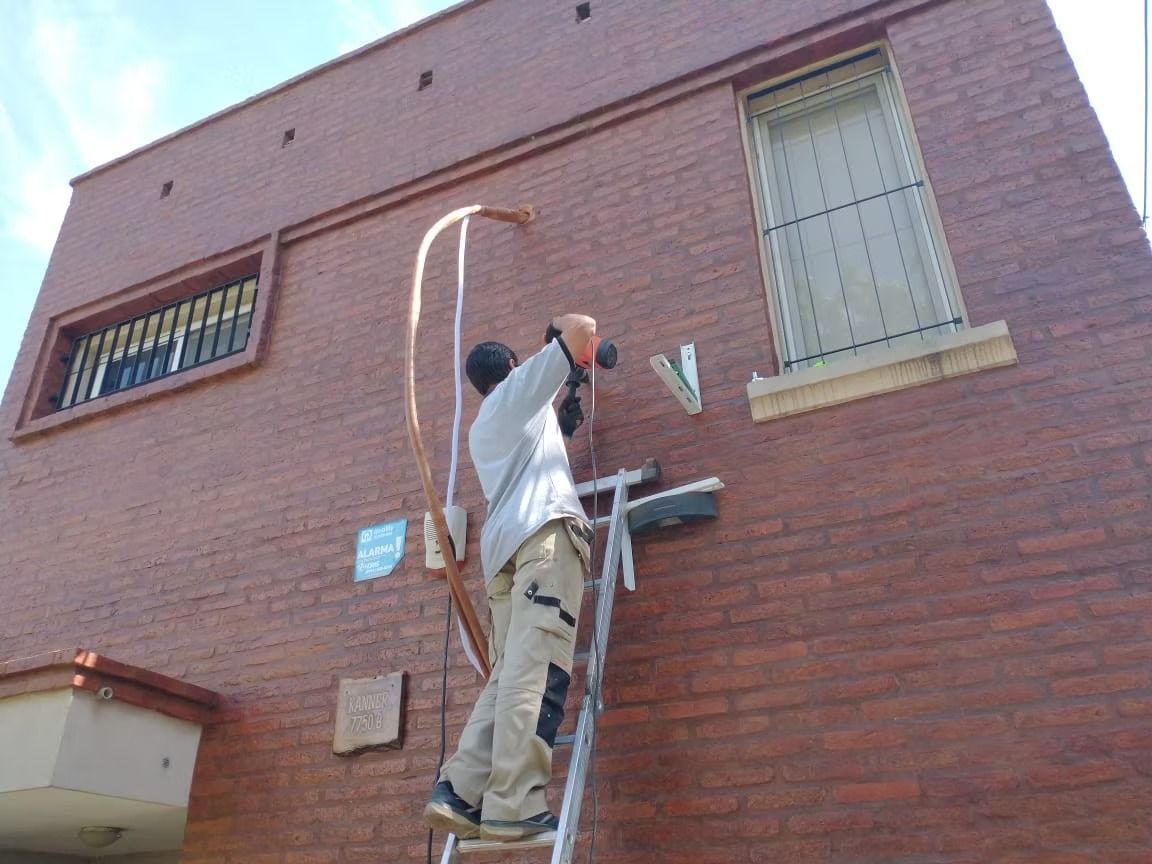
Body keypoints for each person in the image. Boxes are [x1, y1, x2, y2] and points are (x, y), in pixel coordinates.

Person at [422, 314, 596, 843]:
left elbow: (535, 450)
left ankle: (458, 790)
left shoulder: (486, 424)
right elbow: (583, 327)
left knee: (506, 678)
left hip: (504, 553)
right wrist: (554, 333)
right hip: (543, 536)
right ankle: (514, 806)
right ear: (514, 367)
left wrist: (562, 419)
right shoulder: (519, 390)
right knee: (535, 668)